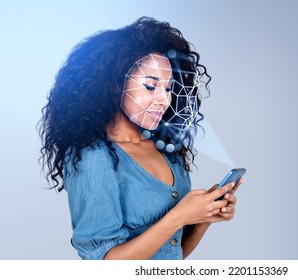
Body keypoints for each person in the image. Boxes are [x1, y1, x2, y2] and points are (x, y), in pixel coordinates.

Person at [39, 17, 243, 260]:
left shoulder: (167, 150)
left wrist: (203, 218)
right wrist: (180, 216)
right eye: (150, 86)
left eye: (168, 88)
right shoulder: (93, 156)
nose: (164, 100)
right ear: (116, 85)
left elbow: (170, 254)